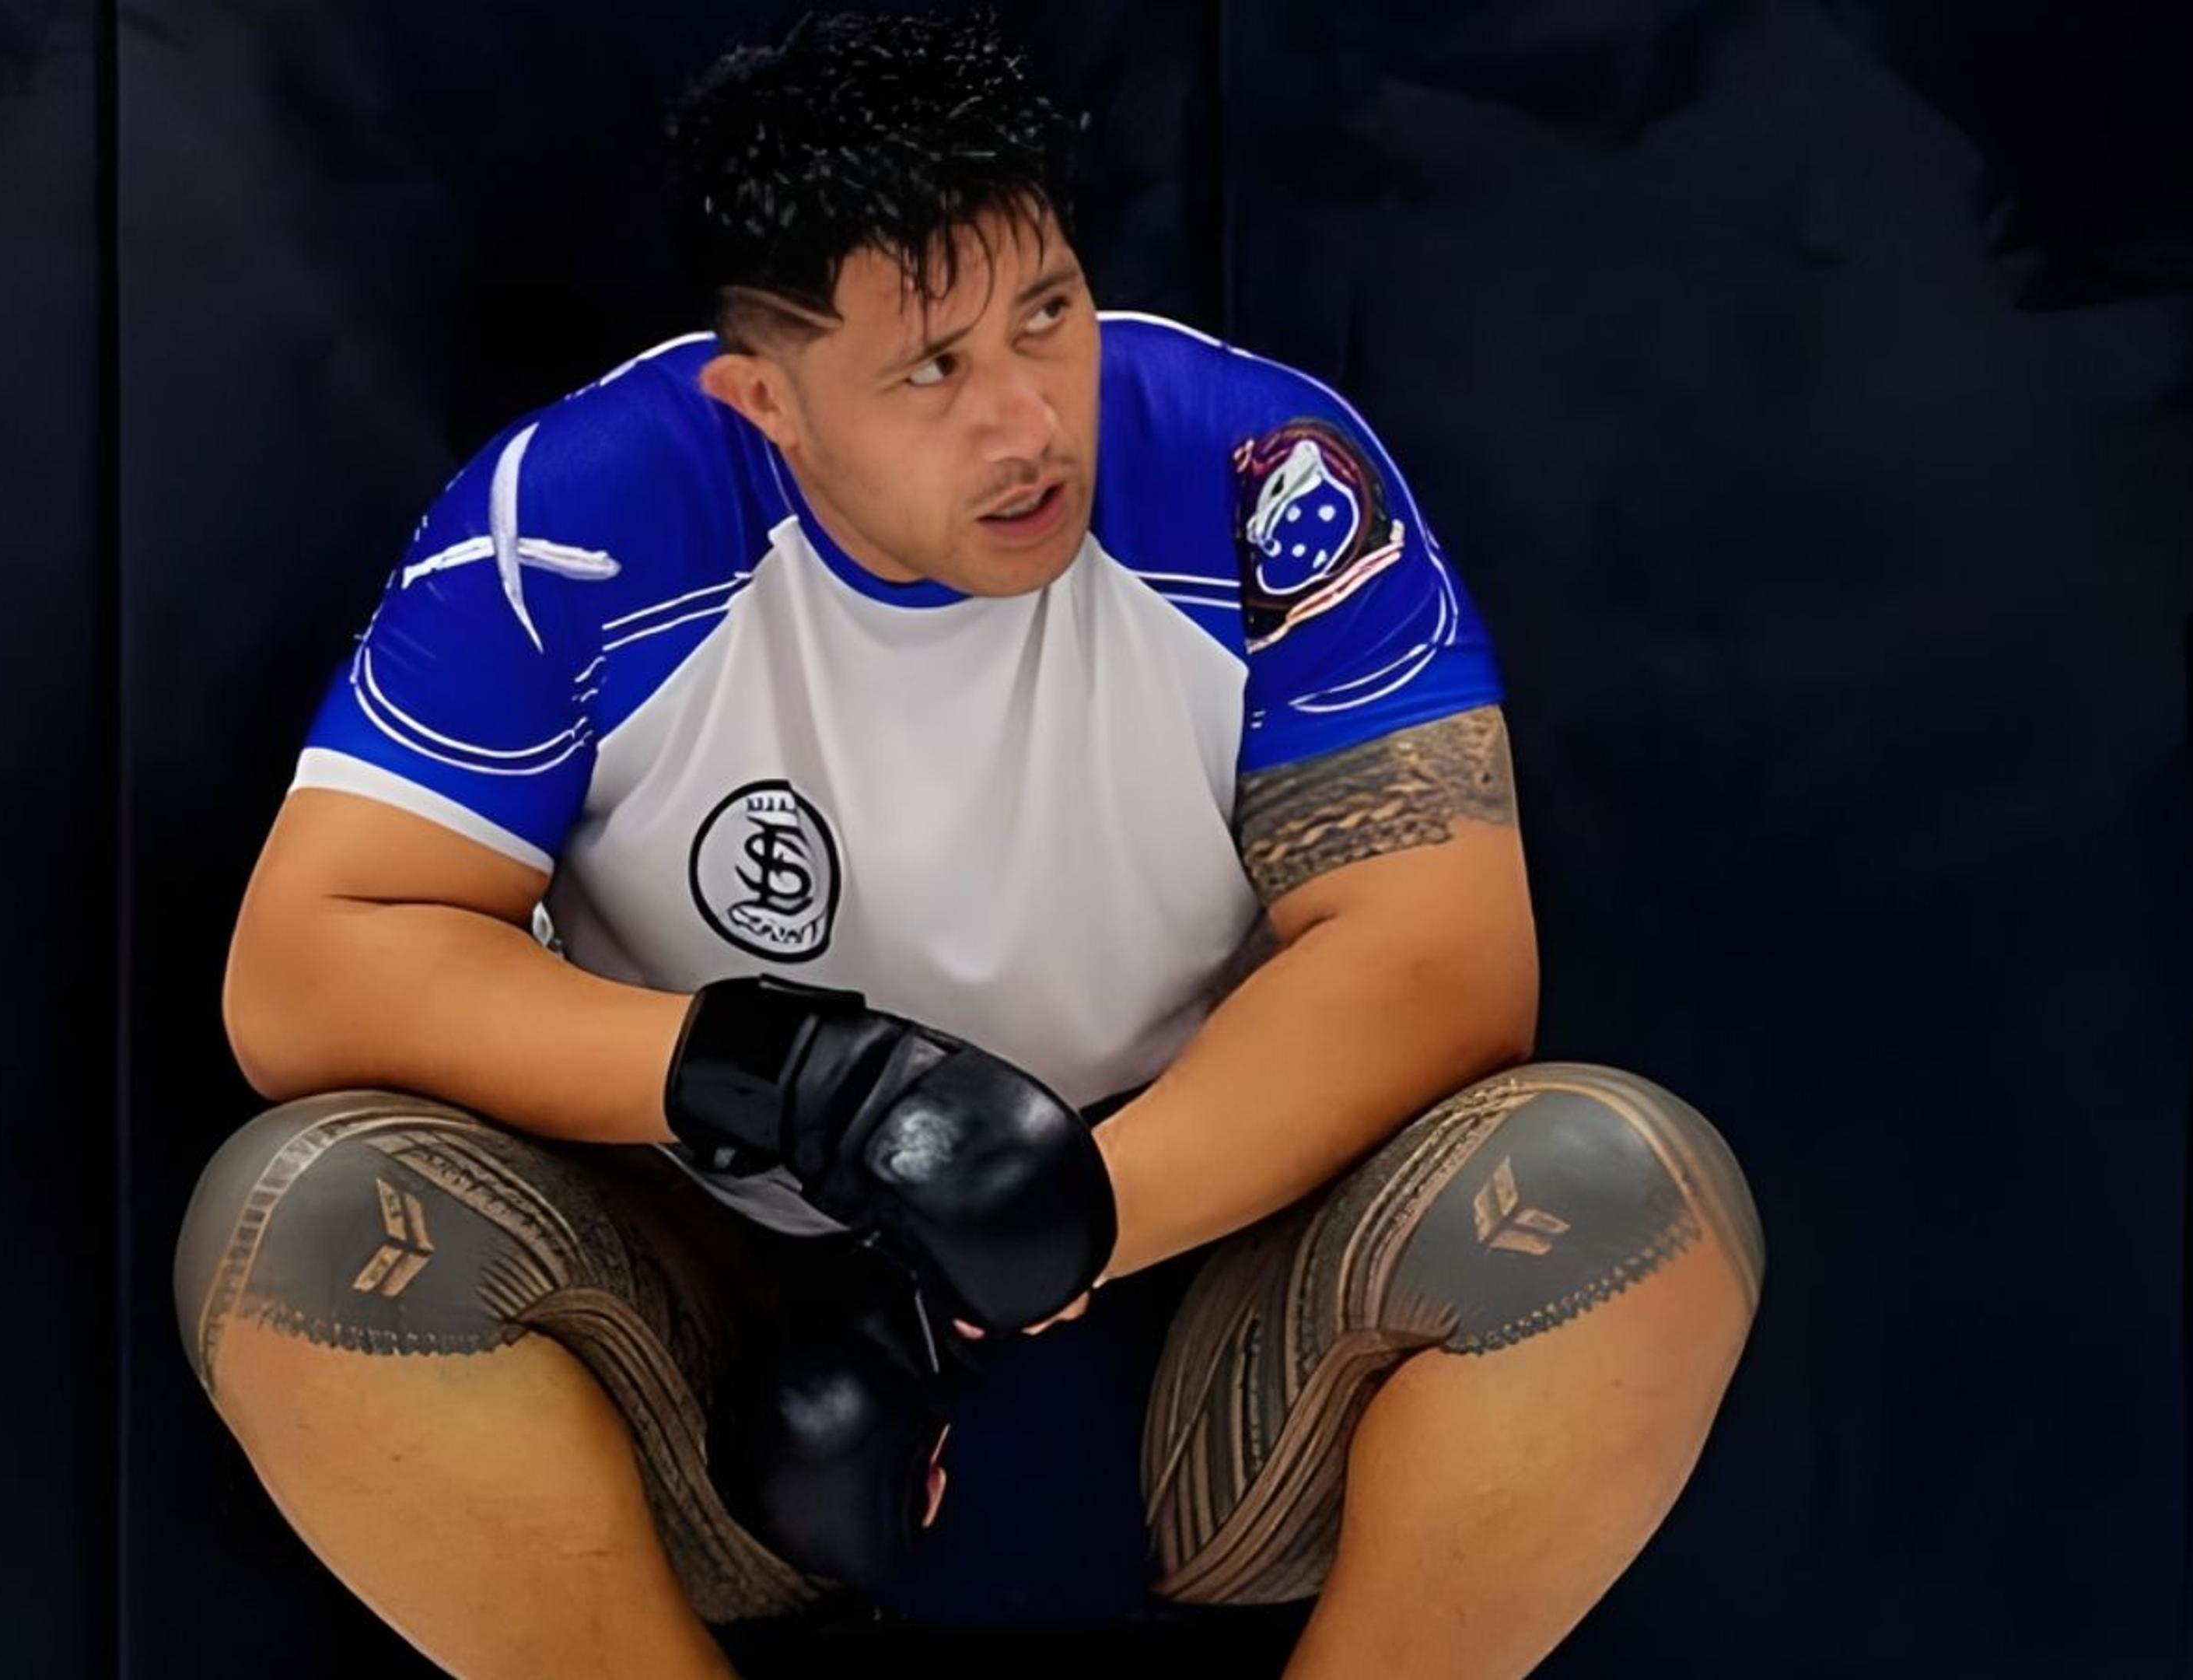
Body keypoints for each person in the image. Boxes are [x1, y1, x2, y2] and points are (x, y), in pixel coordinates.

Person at [173, 12, 1765, 1677]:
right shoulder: (569, 525)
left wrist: (1025, 1235)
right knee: (306, 1224)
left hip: (1206, 1291)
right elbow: (307, 970)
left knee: (1615, 1191)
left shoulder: (1263, 478)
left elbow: (1438, 958)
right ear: (768, 401)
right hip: (722, 1320)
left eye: (1047, 315)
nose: (1027, 423)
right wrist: (789, 1080)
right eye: (932, 369)